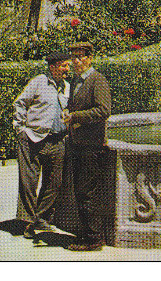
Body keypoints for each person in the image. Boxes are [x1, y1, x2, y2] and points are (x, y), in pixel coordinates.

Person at [13, 51, 71, 239]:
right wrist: (20, 128)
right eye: (63, 66)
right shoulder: (39, 81)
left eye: (67, 65)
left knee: (55, 182)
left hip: (57, 139)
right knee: (28, 183)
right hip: (33, 138)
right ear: (53, 67)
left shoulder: (67, 87)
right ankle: (27, 222)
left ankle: (41, 217)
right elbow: (20, 103)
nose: (67, 69)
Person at [64, 41, 111, 252]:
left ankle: (93, 238)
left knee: (87, 191)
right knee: (81, 191)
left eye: (81, 57)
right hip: (78, 143)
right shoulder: (76, 81)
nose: (76, 61)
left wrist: (75, 116)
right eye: (73, 57)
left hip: (92, 145)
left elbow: (103, 110)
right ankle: (87, 234)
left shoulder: (97, 80)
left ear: (90, 58)